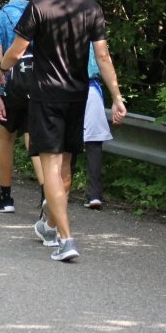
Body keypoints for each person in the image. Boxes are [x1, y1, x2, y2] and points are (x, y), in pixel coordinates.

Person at [0, 0, 128, 261]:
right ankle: (49, 224)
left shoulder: (38, 6)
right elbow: (102, 56)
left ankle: (66, 240)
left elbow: (17, 50)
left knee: (52, 168)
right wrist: (116, 96)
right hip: (77, 95)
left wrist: (2, 68)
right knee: (66, 166)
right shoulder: (91, 7)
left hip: (45, 95)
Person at [0, 0, 44, 214]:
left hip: (11, 87)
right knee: (35, 140)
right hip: (38, 86)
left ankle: (5, 197)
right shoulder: (40, 13)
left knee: (6, 138)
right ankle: (47, 194)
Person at [75, 44, 113, 209]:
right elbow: (103, 58)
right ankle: (94, 194)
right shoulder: (94, 34)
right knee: (94, 143)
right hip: (91, 89)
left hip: (67, 89)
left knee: (67, 140)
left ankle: (61, 190)